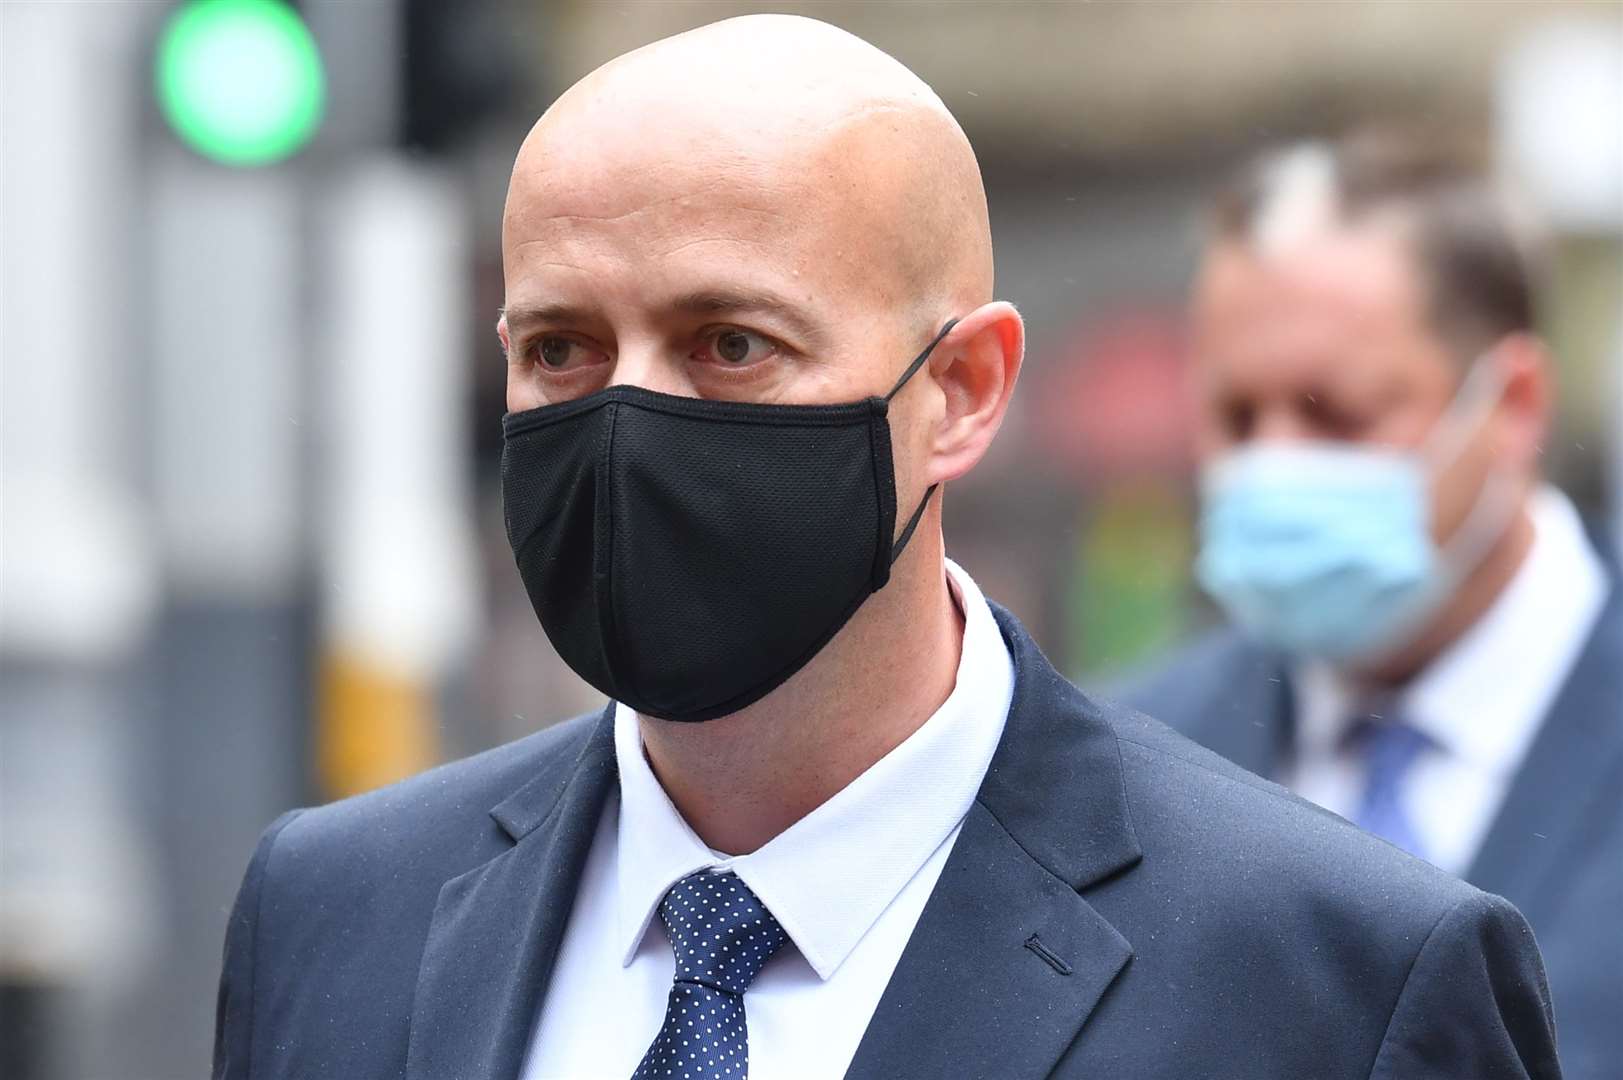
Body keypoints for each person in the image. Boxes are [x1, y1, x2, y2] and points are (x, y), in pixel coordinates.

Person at [213, 20, 1561, 1080]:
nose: (626, 422)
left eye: (729, 344)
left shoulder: (1334, 982)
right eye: (558, 349)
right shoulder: (334, 917)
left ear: (961, 390)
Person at [1116, 132, 1619, 1077]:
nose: (1272, 464)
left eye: (1335, 414)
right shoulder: (1125, 760)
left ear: (1512, 404)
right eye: (1234, 417)